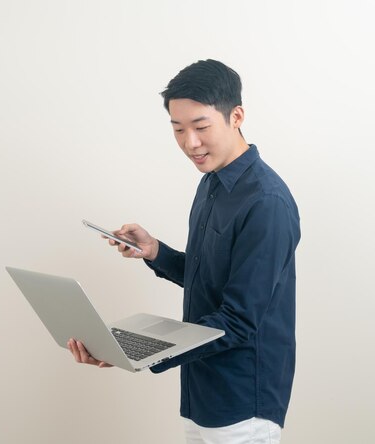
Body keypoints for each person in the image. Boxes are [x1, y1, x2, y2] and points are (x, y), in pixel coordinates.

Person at [67, 59, 300, 444]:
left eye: (201, 127)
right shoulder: (211, 183)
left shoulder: (267, 202)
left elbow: (239, 319)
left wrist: (138, 351)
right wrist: (155, 251)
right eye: (178, 129)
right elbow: (210, 278)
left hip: (244, 406)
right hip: (201, 396)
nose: (189, 143)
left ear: (236, 116)